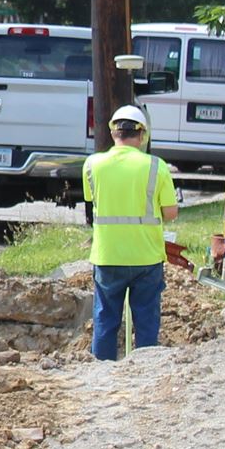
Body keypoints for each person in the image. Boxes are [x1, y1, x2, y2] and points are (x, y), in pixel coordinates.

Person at [82, 104, 191, 361]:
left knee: (105, 320)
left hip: (108, 256)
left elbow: (93, 201)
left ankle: (101, 372)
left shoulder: (92, 164)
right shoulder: (156, 166)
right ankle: (145, 371)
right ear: (142, 135)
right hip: (146, 257)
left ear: (112, 132)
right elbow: (171, 213)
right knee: (146, 322)